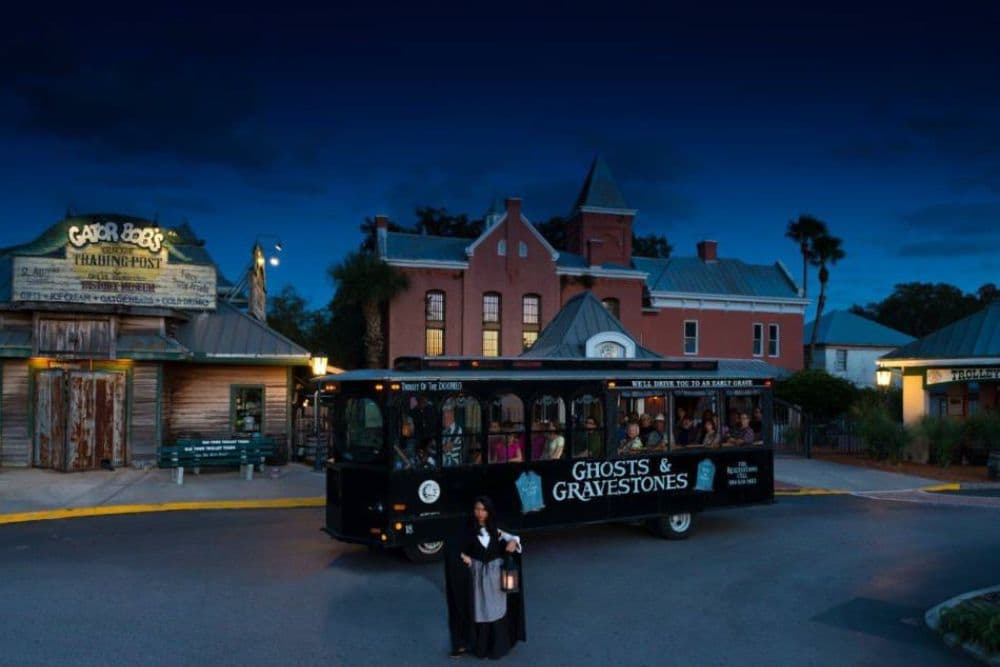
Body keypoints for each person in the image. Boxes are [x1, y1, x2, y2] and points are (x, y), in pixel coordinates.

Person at [444, 496, 526, 659]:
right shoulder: (467, 531)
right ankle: (479, 648)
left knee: (496, 611)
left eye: (483, 509)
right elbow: (452, 549)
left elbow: (513, 538)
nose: (480, 513)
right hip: (477, 577)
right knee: (480, 610)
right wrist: (466, 560)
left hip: (495, 577)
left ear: (489, 511)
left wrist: (513, 542)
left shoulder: (496, 529)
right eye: (477, 509)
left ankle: (497, 648)